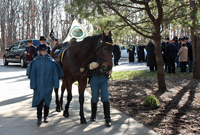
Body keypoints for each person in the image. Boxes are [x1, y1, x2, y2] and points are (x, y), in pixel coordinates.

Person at [26, 44, 64, 125]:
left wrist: (56, 85)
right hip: (38, 86)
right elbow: (32, 75)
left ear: (47, 51)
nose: (44, 52)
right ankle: (39, 118)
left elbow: (55, 75)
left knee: (47, 101)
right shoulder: (35, 62)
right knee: (39, 101)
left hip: (48, 85)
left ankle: (46, 116)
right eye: (42, 50)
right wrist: (33, 85)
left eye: (45, 50)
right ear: (39, 51)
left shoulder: (52, 62)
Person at [88, 59, 112, 127]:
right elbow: (84, 64)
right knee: (95, 97)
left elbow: (110, 61)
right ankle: (93, 115)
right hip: (94, 77)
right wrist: (90, 65)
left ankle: (107, 118)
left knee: (105, 96)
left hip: (104, 77)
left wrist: (110, 69)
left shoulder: (105, 51)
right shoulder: (92, 53)